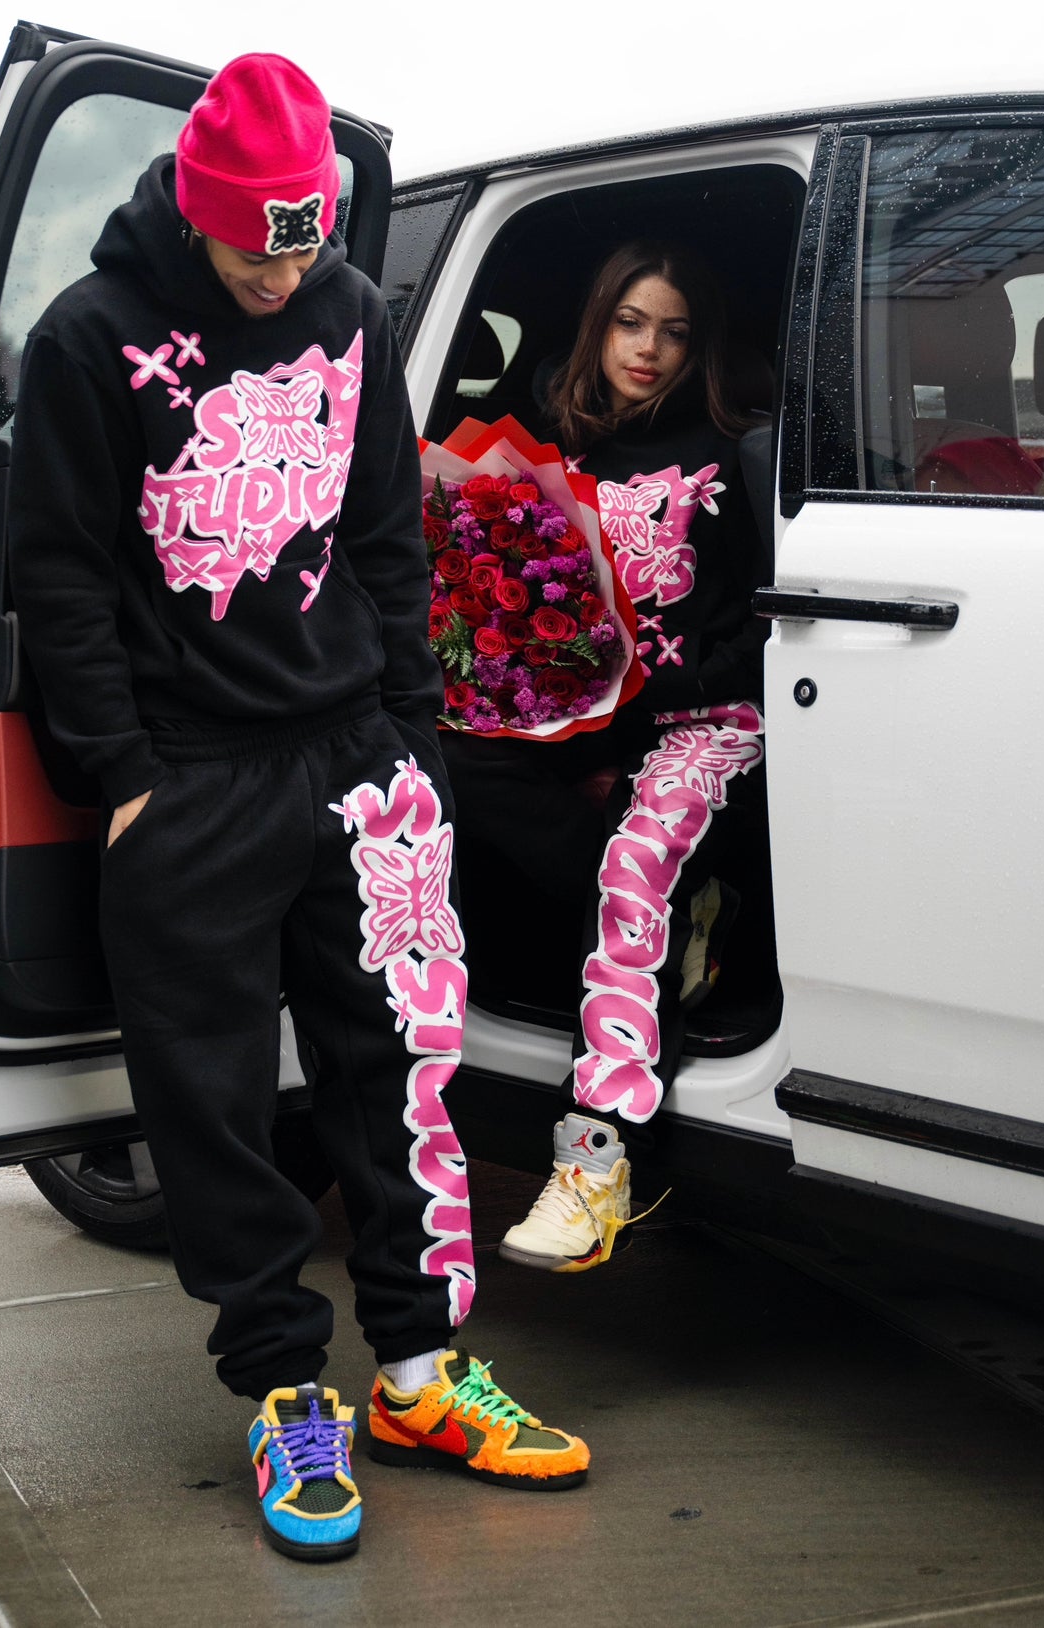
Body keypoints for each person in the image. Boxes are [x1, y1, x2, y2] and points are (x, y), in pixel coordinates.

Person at [6, 53, 588, 1566]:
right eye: (255, 249)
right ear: (198, 211)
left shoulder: (346, 311)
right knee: (209, 1104)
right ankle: (282, 1388)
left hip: (355, 753)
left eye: (303, 243)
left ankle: (418, 1370)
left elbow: (387, 532)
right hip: (188, 778)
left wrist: (411, 734)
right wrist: (123, 777)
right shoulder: (88, 338)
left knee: (397, 1070)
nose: (281, 276)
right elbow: (57, 576)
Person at [441, 241, 770, 1274]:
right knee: (446, 759)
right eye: (631, 323)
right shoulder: (556, 443)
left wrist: (652, 705)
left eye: (674, 331)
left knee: (633, 864)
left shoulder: (737, 447)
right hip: (598, 722)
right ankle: (674, 912)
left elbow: (768, 619)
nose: (649, 348)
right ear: (600, 326)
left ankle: (595, 1165)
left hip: (708, 720)